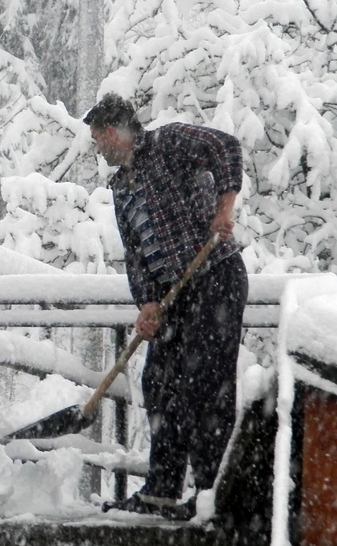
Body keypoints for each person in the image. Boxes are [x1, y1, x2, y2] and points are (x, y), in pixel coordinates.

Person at [84, 93, 248, 521]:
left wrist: (224, 208)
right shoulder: (121, 188)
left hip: (215, 279)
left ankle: (212, 497)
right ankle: (161, 490)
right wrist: (149, 303)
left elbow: (226, 148)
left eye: (98, 137)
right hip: (175, 297)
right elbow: (136, 255)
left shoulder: (169, 143)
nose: (97, 146)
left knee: (206, 387)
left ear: (114, 131)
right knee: (160, 383)